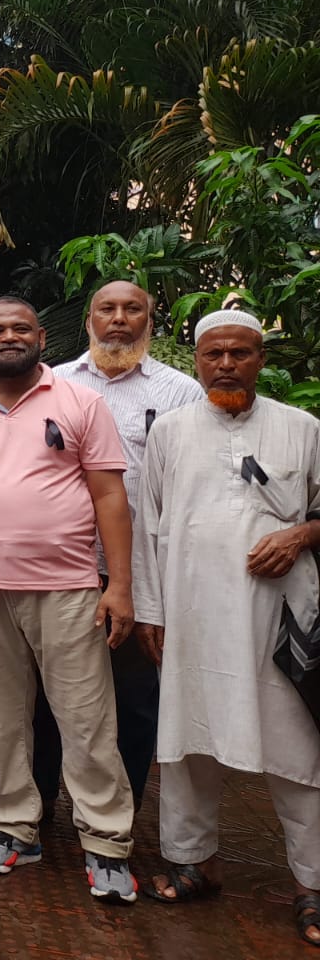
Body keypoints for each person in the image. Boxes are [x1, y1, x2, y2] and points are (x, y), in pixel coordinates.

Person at [0, 295, 138, 903]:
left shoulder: (79, 402)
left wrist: (119, 584)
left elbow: (111, 498)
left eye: (19, 328)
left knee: (86, 720)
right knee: (2, 717)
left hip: (67, 588)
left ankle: (106, 842)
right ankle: (13, 828)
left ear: (40, 336)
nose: (8, 337)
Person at [133, 309, 320, 946]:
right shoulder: (172, 432)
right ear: (197, 358)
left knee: (297, 752)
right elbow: (147, 527)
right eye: (214, 353)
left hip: (277, 620)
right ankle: (193, 864)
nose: (227, 364)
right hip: (190, 616)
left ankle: (312, 886)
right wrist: (150, 609)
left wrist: (299, 535)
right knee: (186, 742)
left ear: (261, 359)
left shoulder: (303, 428)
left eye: (240, 353)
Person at [36, 279, 204, 814]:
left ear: (149, 321)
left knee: (134, 701)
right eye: (106, 308)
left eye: (133, 309)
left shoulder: (181, 393)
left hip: (141, 573)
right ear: (89, 319)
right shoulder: (50, 385)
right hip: (61, 569)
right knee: (47, 700)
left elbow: (190, 485)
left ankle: (120, 814)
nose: (119, 318)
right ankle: (36, 808)